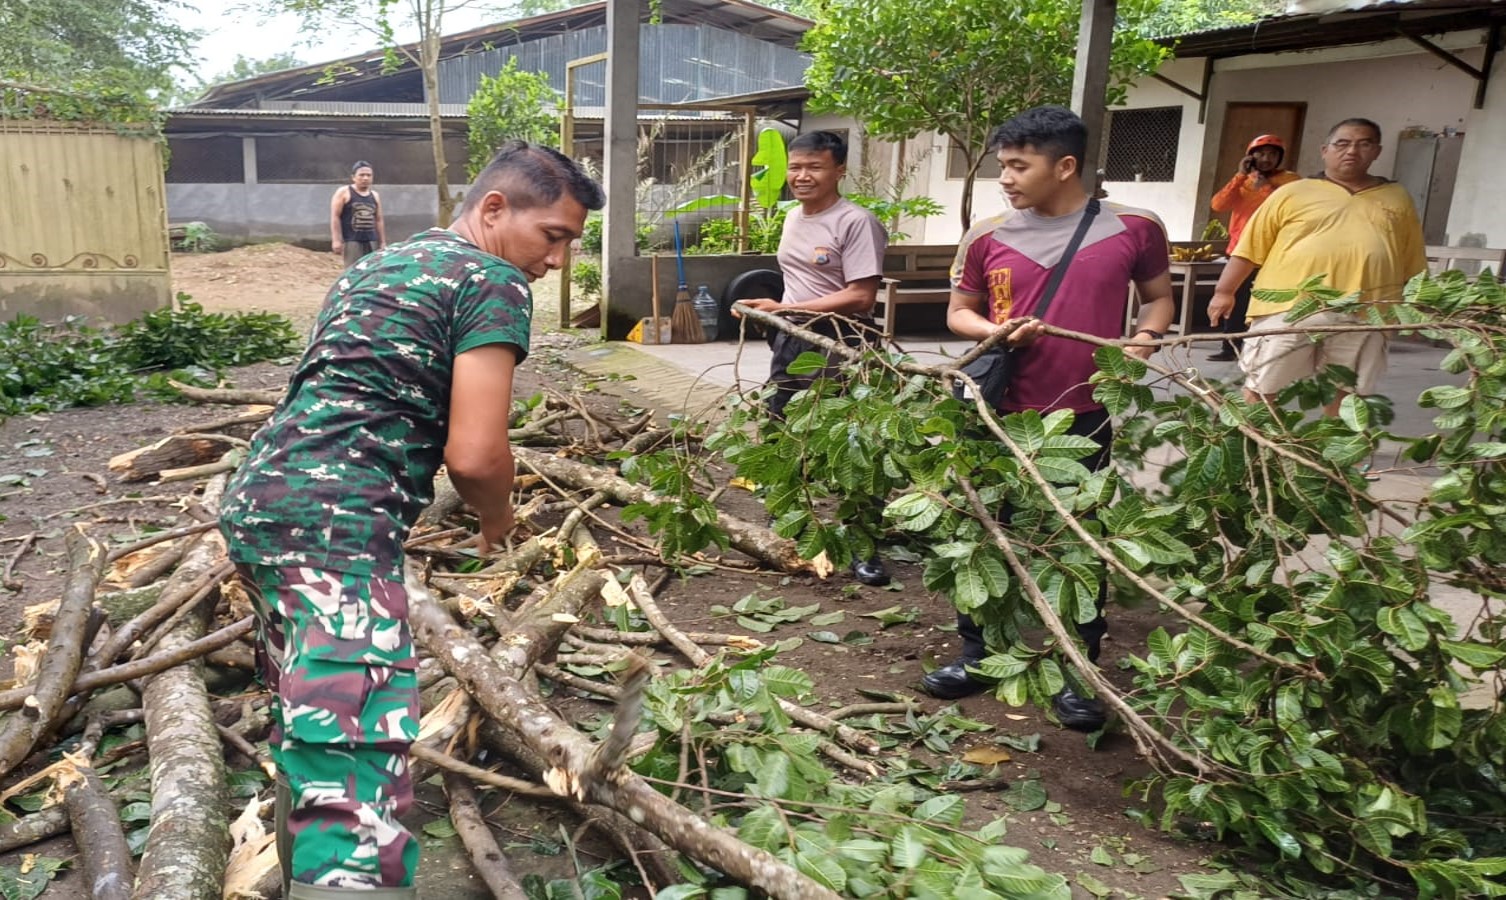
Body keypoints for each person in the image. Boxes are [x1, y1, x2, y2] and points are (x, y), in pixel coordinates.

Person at [221, 142, 603, 899]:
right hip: (335, 532)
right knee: (356, 762)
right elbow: (476, 454)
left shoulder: (376, 266)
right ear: (493, 209)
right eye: (553, 235)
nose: (557, 260)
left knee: (316, 724)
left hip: (260, 505)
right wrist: (497, 522)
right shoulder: (492, 280)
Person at [921, 106, 1175, 731]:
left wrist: (1142, 343)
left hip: (1082, 413)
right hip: (996, 410)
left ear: (1064, 166)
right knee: (986, 532)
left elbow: (1158, 300)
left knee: (1076, 541)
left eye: (1018, 166)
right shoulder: (986, 236)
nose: (1005, 179)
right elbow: (959, 312)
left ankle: (1077, 669)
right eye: (1002, 165)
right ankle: (979, 652)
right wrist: (995, 330)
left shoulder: (1135, 228)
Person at [734, 129, 893, 586]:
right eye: (796, 167)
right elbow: (796, 281)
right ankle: (791, 525)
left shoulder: (856, 222)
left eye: (814, 167)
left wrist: (787, 308)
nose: (802, 176)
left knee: (852, 442)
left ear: (839, 170)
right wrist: (770, 311)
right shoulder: (792, 218)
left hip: (843, 342)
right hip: (793, 338)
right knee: (782, 429)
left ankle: (864, 544)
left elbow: (861, 296)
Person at [1208, 118, 1426, 415]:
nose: (1352, 151)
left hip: (1367, 310)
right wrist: (1224, 292)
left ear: (1377, 151)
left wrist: (1417, 306)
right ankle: (1251, 439)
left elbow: (1412, 255)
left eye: (1364, 144)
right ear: (1325, 150)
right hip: (1289, 307)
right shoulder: (1293, 191)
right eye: (1342, 144)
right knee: (1263, 384)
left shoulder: (1397, 197)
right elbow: (1249, 246)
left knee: (1348, 391)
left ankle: (1331, 443)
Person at [1206, 134, 1300, 360]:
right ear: (1250, 157)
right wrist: (1240, 176)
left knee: (1270, 298)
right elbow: (1218, 204)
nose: (1266, 159)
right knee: (1235, 300)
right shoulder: (1243, 181)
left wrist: (1265, 186)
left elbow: (1286, 206)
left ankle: (1266, 347)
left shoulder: (1291, 181)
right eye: (1261, 154)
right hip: (1241, 252)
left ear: (1280, 158)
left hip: (1274, 252)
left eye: (1272, 154)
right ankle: (1230, 348)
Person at [331, 160, 386, 266]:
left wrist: (382, 242)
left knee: (372, 270)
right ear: (353, 177)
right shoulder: (344, 192)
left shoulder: (375, 195)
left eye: (369, 175)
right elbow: (335, 217)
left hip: (372, 241)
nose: (365, 178)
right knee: (353, 270)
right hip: (352, 241)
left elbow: (379, 220)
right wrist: (336, 240)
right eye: (361, 175)